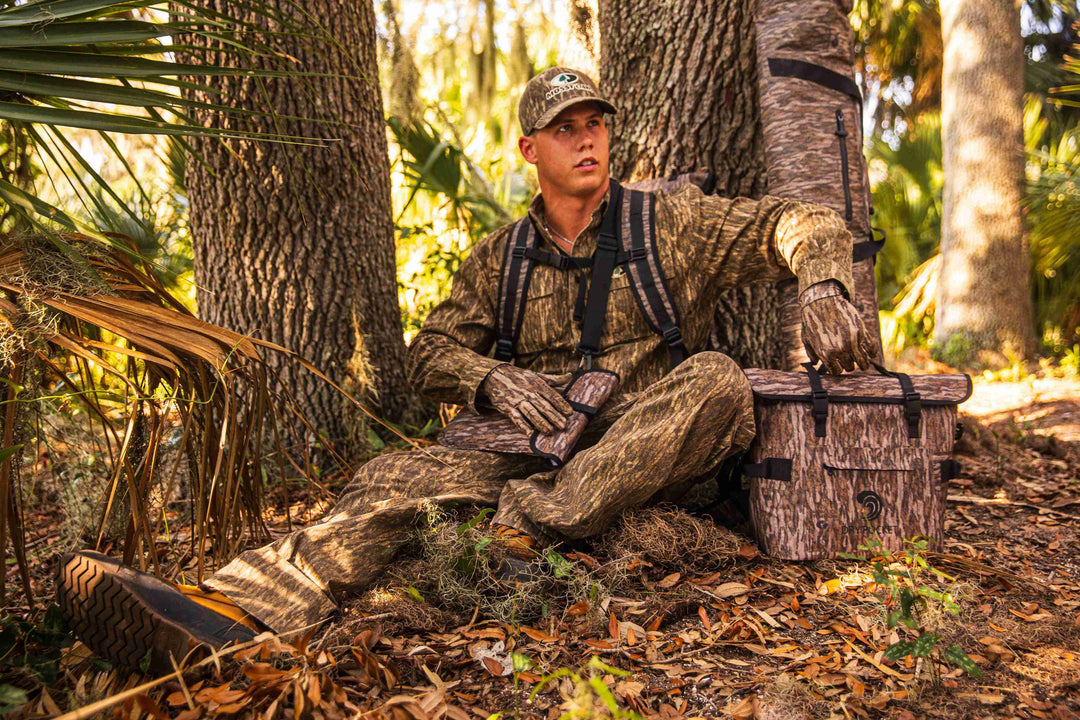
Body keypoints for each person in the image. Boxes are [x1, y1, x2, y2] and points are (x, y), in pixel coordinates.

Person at [58, 67, 875, 673]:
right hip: (525, 441)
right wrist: (491, 380)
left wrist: (825, 281)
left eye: (596, 122)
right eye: (566, 127)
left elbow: (793, 221)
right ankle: (222, 611)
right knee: (391, 476)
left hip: (639, 442)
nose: (587, 138)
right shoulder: (499, 259)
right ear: (529, 149)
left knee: (718, 381)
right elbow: (427, 354)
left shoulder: (670, 222)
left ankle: (526, 522)